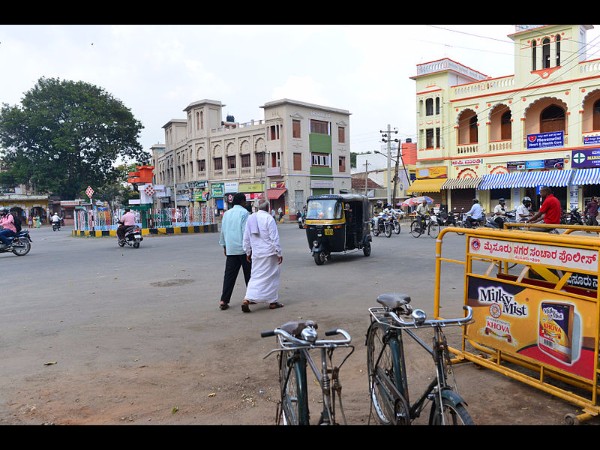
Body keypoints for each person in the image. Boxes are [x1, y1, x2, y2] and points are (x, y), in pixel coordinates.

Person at [241, 200, 284, 313]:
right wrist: (279, 253)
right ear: (268, 208)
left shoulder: (251, 218)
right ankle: (272, 302)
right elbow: (274, 237)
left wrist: (248, 252)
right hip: (269, 253)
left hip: (257, 253)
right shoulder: (269, 218)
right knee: (272, 277)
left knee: (255, 277)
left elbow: (246, 237)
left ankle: (247, 299)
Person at [218, 193, 252, 311]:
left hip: (231, 249)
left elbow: (223, 232)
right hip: (243, 250)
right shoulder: (245, 213)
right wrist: (249, 250)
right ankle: (250, 297)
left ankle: (224, 300)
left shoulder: (226, 214)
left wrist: (224, 246)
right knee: (249, 275)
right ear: (243, 202)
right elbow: (246, 233)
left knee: (229, 276)